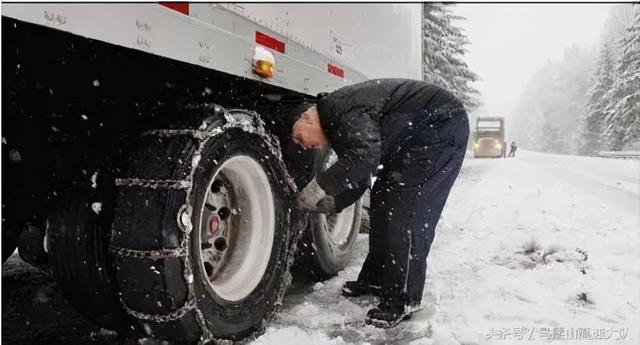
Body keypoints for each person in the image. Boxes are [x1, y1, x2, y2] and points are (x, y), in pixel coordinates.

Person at [289, 78, 469, 328]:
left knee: (405, 212)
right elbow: (360, 174)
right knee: (383, 199)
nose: (303, 145)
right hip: (413, 139)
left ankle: (403, 300)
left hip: (440, 128)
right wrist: (331, 203)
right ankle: (376, 279)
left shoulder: (338, 111)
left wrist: (319, 186)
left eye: (299, 138)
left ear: (308, 119)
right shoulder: (337, 124)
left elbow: (364, 158)